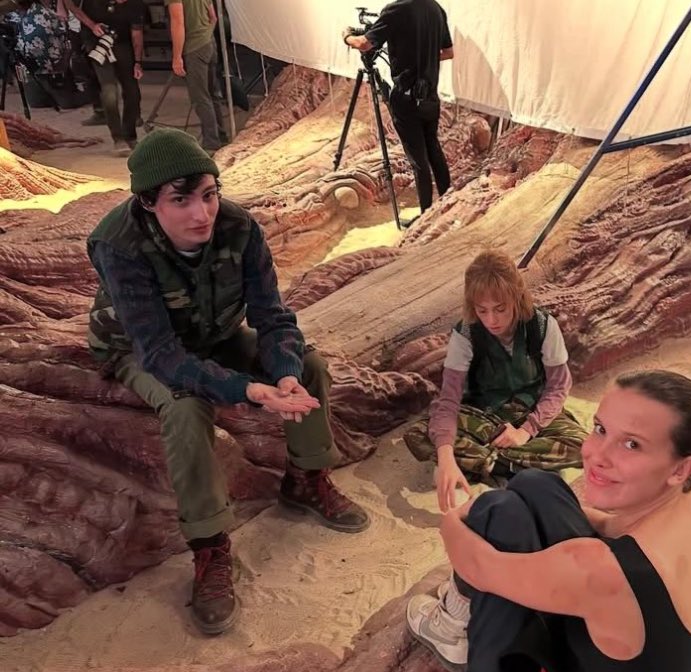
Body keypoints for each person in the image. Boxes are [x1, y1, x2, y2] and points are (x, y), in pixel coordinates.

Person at [86, 129, 370, 636]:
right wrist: (248, 390)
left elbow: (272, 316)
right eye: (181, 201)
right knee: (184, 406)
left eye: (209, 195)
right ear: (148, 203)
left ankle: (306, 480)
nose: (202, 214)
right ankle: (210, 544)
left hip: (214, 334)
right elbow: (161, 353)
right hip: (139, 348)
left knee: (308, 365)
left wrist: (282, 374)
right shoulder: (118, 244)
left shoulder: (239, 227)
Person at [410, 370, 691, 672]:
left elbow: (477, 565)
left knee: (500, 516)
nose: (598, 455)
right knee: (536, 484)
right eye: (600, 429)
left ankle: (451, 629)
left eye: (632, 445)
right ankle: (474, 590)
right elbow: (611, 528)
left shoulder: (600, 571)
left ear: (681, 468)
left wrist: (455, 516)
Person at [404, 249, 588, 512]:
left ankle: (487, 462)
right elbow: (449, 400)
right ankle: (513, 464)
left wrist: (525, 431)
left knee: (584, 446)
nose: (491, 320)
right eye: (483, 310)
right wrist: (445, 459)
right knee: (420, 433)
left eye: (500, 309)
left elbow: (558, 387)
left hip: (532, 413)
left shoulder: (542, 326)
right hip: (483, 417)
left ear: (516, 297)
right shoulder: (466, 334)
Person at [344, 0, 453, 218]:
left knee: (419, 162)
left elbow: (364, 44)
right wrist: (422, 56)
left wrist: (347, 36)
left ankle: (426, 216)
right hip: (430, 97)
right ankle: (448, 207)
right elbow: (448, 52)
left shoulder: (396, 9)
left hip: (406, 99)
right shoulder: (435, 8)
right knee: (433, 150)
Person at [64, 0, 145, 154]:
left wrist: (137, 62)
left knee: (133, 92)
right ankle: (118, 138)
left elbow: (137, 34)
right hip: (96, 42)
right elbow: (71, 4)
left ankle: (130, 135)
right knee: (109, 91)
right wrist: (92, 25)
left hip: (122, 43)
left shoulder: (135, 4)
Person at [165, 0, 226, 151]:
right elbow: (213, 17)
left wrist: (177, 56)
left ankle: (211, 143)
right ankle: (221, 135)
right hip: (209, 43)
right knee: (212, 94)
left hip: (194, 48)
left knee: (201, 98)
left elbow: (178, 22)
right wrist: (206, 35)